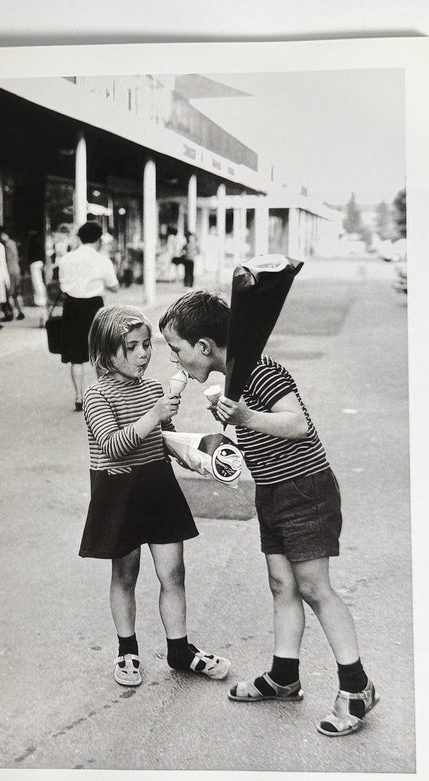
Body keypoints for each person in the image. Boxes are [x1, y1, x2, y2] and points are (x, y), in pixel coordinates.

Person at [159, 291, 378, 737]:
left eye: (176, 349)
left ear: (203, 346)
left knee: (316, 589)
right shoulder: (235, 377)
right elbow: (253, 440)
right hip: (273, 493)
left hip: (305, 490)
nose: (175, 361)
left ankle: (357, 687)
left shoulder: (261, 370)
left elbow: (297, 424)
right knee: (282, 586)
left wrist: (245, 416)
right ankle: (284, 675)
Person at [80, 305, 230, 688]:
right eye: (131, 347)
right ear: (105, 352)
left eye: (147, 345)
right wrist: (154, 415)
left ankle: (179, 650)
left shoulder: (153, 389)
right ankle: (127, 648)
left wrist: (192, 454)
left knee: (173, 573)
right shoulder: (96, 396)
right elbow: (114, 446)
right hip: (119, 490)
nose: (144, 354)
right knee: (125, 574)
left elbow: (162, 439)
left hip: (158, 486)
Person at [55, 221, 119, 411]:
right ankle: (102, 396)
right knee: (99, 351)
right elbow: (114, 286)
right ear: (99, 240)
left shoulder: (66, 259)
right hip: (94, 307)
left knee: (76, 354)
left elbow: (62, 284)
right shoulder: (102, 260)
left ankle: (79, 396)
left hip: (71, 306)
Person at [0, 229, 25, 321]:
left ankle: (10, 313)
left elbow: (8, 259)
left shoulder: (8, 245)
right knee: (15, 293)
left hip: (10, 271)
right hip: (15, 270)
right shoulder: (13, 244)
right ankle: (19, 311)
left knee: (10, 293)